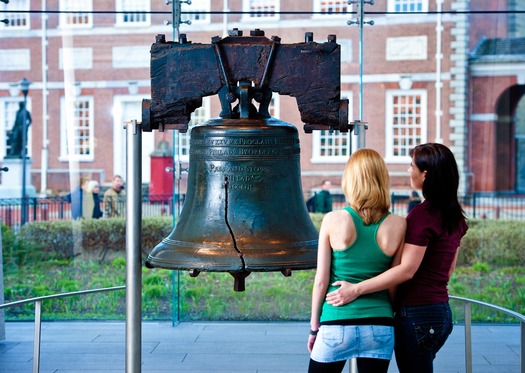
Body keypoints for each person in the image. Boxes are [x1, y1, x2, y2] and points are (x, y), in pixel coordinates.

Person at [325, 143, 468, 373]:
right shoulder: (455, 216)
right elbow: (448, 271)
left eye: (411, 166)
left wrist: (356, 289)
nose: (408, 171)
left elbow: (406, 270)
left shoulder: (423, 216)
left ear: (425, 173)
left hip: (416, 314)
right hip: (441, 312)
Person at [308, 149, 406, 373]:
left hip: (337, 321)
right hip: (380, 324)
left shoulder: (333, 219)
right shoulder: (399, 225)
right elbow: (393, 283)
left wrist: (314, 328)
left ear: (351, 180)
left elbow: (321, 281)